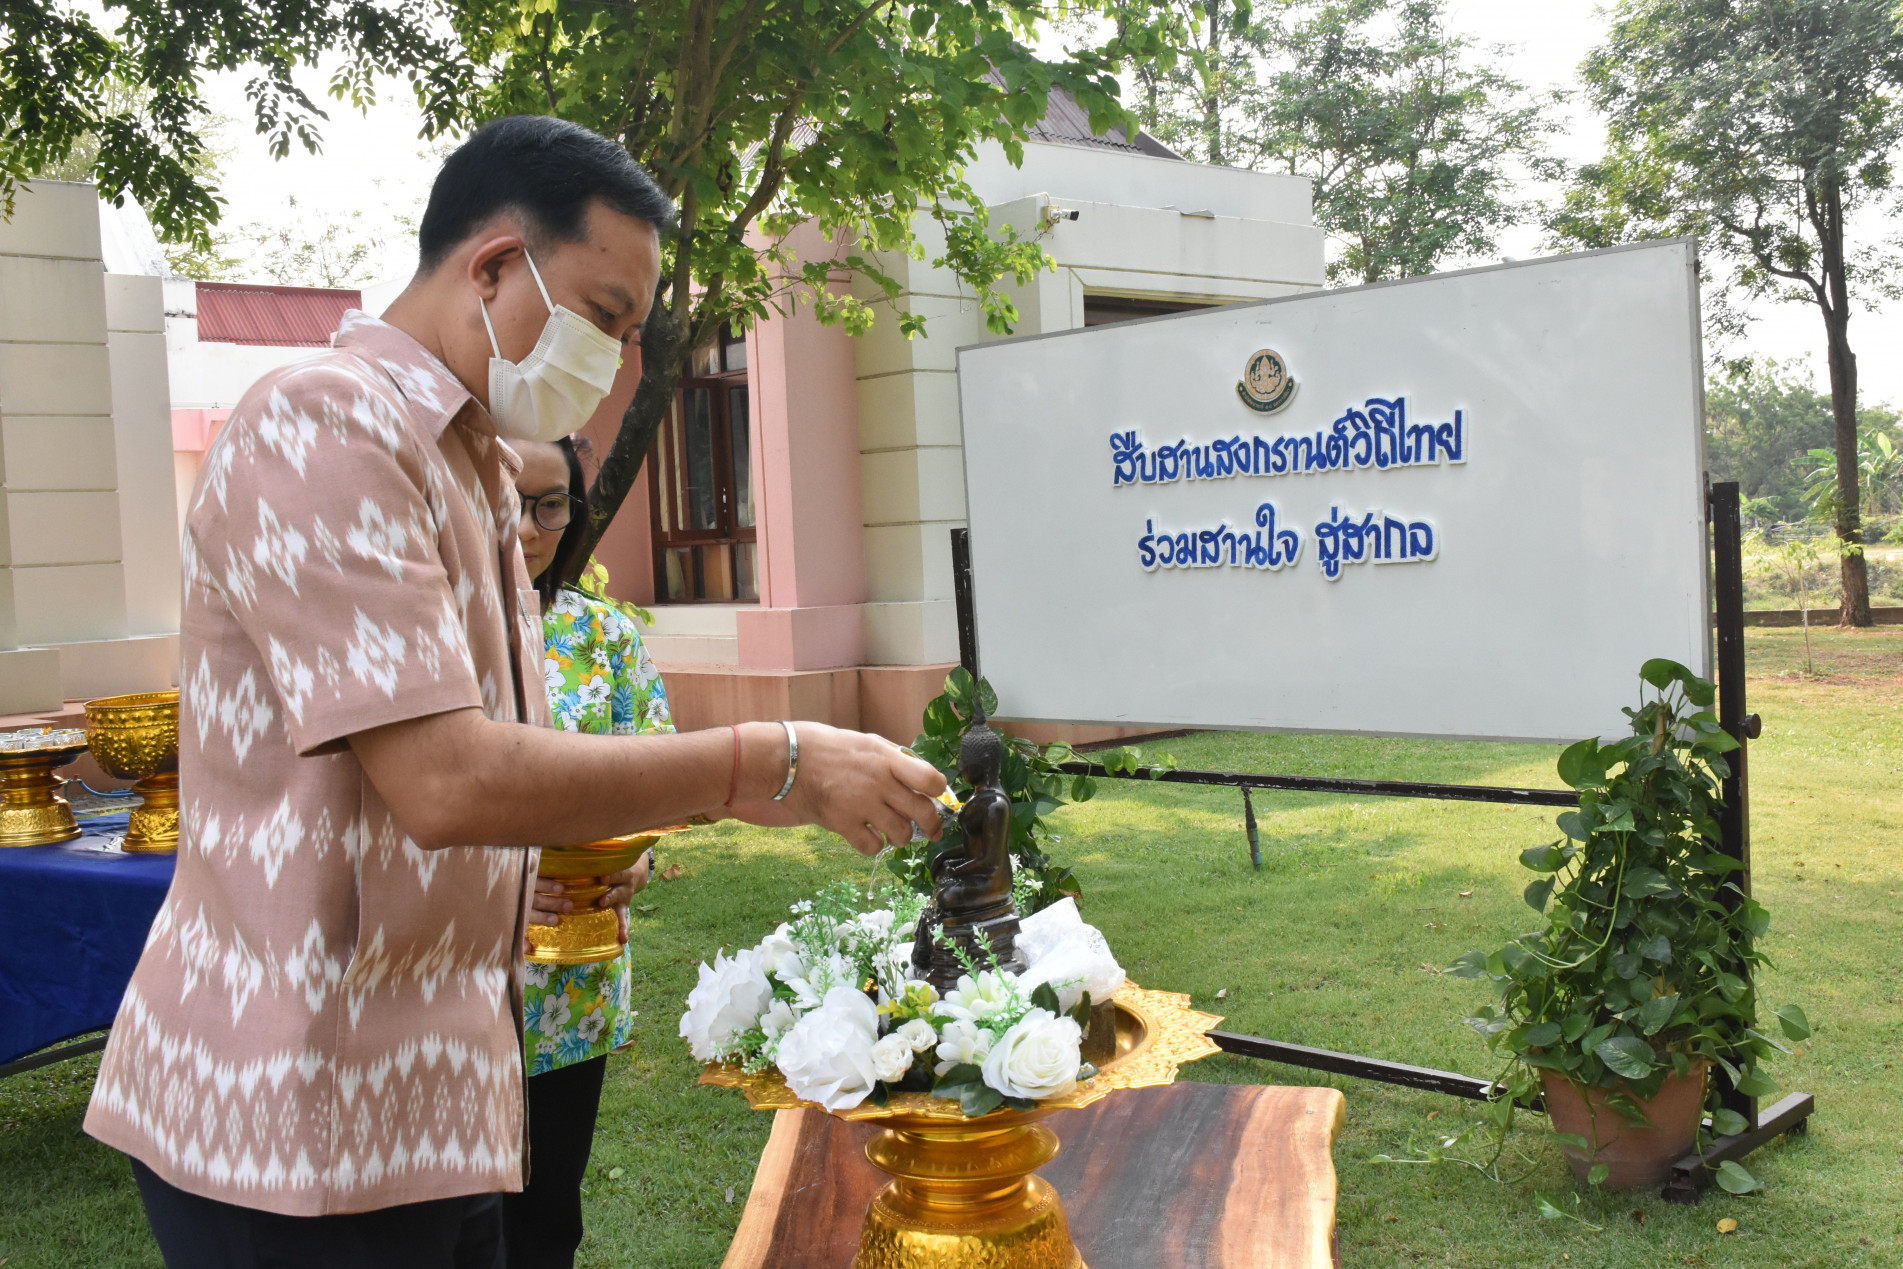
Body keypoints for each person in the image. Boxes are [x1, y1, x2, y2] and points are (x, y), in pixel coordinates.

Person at [83, 114, 945, 1269]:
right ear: (494, 265)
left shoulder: (473, 462)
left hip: (440, 1098)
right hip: (293, 1116)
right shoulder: (322, 424)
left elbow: (480, 772)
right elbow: (446, 782)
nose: (613, 361)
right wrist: (773, 761)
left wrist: (579, 852)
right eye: (602, 315)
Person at [507, 434, 668, 1269]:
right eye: (508, 501)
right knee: (458, 1222)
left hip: (575, 975)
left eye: (550, 505)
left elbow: (657, 776)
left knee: (546, 1218)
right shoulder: (426, 636)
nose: (528, 528)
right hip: (456, 980)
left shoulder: (605, 634)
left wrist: (638, 859)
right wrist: (499, 880)